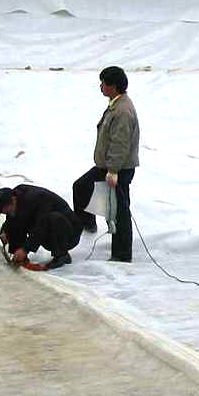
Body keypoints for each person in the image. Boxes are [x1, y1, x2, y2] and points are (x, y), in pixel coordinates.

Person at [72, 66, 140, 263]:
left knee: (120, 211)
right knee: (81, 186)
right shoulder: (115, 104)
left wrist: (113, 171)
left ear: (113, 86)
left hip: (118, 168)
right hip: (108, 166)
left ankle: (122, 254)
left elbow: (120, 143)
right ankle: (88, 223)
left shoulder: (123, 111)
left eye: (103, 83)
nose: (100, 86)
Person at [0, 184, 83, 270]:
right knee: (16, 219)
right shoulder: (15, 199)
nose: (7, 213)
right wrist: (6, 233)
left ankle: (62, 255)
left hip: (70, 234)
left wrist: (25, 249)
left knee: (53, 218)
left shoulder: (37, 198)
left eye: (7, 210)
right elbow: (11, 222)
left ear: (13, 200)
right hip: (50, 231)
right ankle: (20, 257)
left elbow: (41, 225)